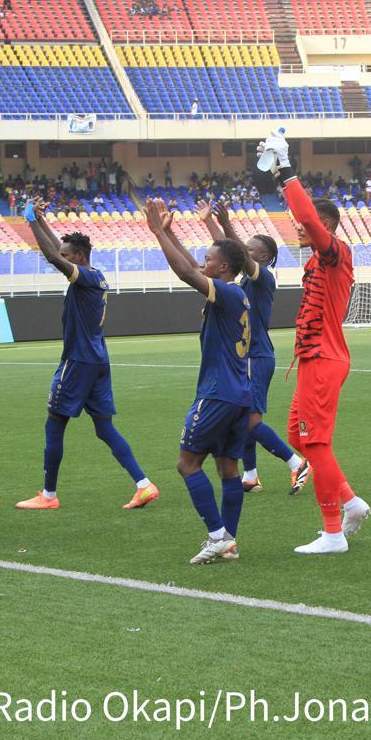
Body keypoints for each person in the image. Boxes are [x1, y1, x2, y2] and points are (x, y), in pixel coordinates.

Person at [256, 130, 371, 554]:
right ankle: (350, 501)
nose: (298, 231)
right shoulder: (319, 258)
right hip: (313, 358)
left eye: (305, 226)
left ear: (323, 226)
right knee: (299, 437)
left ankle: (333, 533)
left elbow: (304, 216)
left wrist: (286, 171)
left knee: (316, 443)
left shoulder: (334, 250)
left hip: (324, 358)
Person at [16, 199, 159, 513]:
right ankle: (144, 484)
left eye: (70, 257)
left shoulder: (85, 278)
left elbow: (54, 255)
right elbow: (59, 248)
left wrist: (29, 222)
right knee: (104, 428)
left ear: (79, 257)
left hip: (78, 360)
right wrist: (40, 221)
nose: (64, 260)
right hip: (97, 359)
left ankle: (48, 494)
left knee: (55, 422)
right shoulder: (94, 275)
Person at [144, 198, 251, 565]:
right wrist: (170, 232)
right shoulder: (234, 292)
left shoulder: (228, 292)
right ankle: (229, 540)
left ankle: (218, 536)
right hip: (239, 394)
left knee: (187, 464)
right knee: (227, 468)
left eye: (209, 259)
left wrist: (158, 232)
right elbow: (192, 266)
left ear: (223, 267)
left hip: (218, 392)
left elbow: (187, 273)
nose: (203, 262)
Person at [197, 200, 310, 496]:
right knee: (241, 417)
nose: (244, 253)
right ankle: (250, 476)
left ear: (264, 257)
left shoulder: (263, 279)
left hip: (256, 357)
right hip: (244, 359)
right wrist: (211, 222)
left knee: (248, 419)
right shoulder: (239, 281)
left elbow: (237, 255)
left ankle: (296, 462)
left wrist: (226, 225)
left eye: (251, 250)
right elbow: (227, 253)